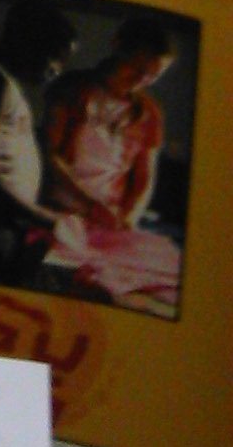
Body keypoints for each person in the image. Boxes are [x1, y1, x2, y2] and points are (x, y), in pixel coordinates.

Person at [40, 17, 184, 312]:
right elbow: (51, 156)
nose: (139, 82)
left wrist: (131, 214)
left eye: (151, 78)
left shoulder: (148, 113)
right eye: (136, 69)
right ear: (118, 48)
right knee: (96, 283)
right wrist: (90, 206)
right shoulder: (71, 89)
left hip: (113, 219)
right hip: (67, 209)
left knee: (166, 282)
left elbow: (145, 175)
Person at [0, 0, 77, 287]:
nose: (58, 70)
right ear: (31, 45)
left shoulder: (7, 87)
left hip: (6, 223)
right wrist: (45, 217)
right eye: (57, 57)